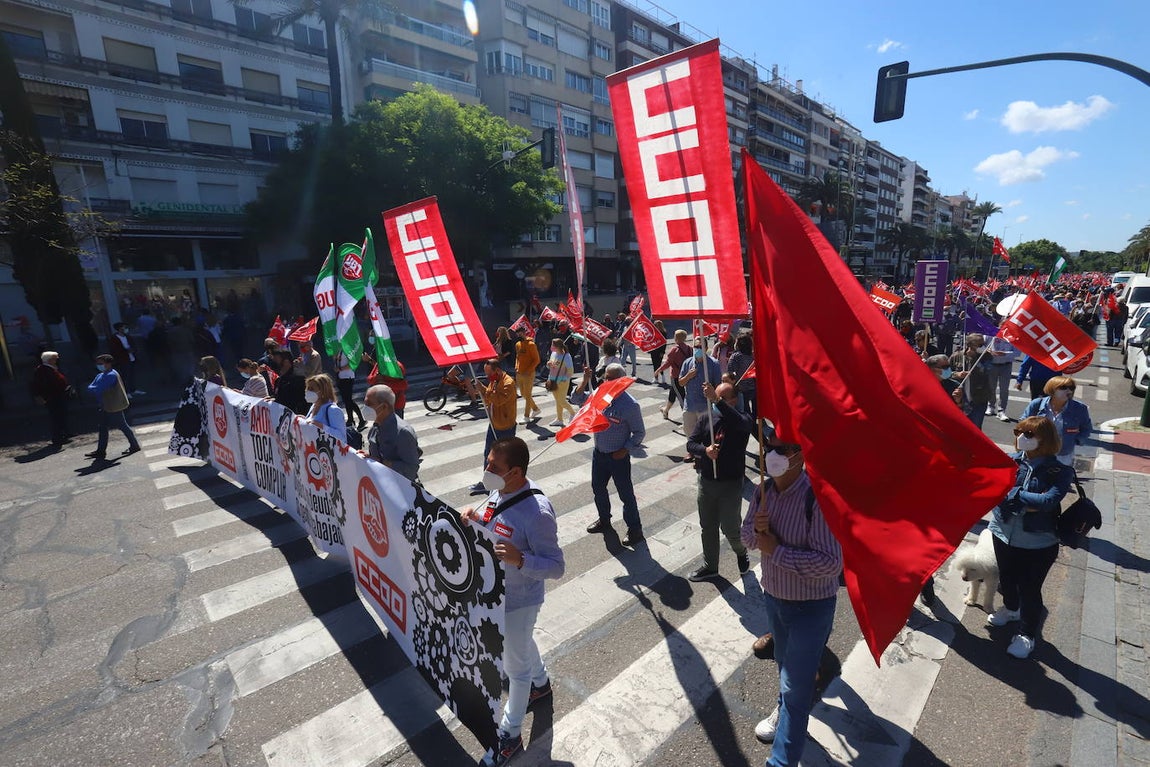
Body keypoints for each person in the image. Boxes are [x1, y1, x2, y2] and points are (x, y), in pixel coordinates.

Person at [740, 429, 842, 766]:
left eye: (782, 449)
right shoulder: (764, 491)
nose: (772, 454)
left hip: (811, 608)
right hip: (775, 600)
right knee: (785, 667)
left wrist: (776, 549)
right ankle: (783, 709)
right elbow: (745, 537)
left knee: (797, 690)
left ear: (800, 455)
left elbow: (830, 564)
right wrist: (757, 530)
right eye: (769, 446)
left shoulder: (817, 498)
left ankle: (780, 761)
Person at [461, 437, 565, 767]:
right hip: (496, 596)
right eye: (488, 462)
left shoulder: (537, 515)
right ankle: (542, 684)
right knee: (519, 647)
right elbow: (495, 523)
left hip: (519, 601)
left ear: (516, 471)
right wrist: (476, 522)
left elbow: (557, 566)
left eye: (494, 466)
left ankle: (510, 735)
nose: (486, 470)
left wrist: (521, 560)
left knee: (514, 670)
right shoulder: (500, 490)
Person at [986, 416, 1072, 659]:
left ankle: (1027, 635)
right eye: (1018, 431)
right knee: (1007, 578)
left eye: (1029, 434)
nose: (1021, 438)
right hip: (1003, 533)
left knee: (1030, 589)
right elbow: (993, 490)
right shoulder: (1010, 462)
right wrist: (1025, 499)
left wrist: (1010, 492)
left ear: (1045, 439)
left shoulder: (1060, 471)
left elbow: (1047, 502)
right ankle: (1011, 609)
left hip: (1038, 542)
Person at [686, 381, 753, 580]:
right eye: (715, 397)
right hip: (707, 481)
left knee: (731, 528)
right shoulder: (706, 417)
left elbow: (742, 424)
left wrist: (718, 401)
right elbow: (691, 443)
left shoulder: (743, 419)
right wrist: (704, 452)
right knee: (708, 525)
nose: (716, 401)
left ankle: (741, 553)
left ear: (734, 400)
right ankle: (710, 565)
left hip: (730, 484)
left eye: (723, 398)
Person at [586, 364, 646, 546]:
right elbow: (576, 399)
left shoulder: (630, 405)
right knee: (598, 488)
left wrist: (625, 449)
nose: (607, 381)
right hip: (599, 454)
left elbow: (639, 432)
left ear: (622, 380)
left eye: (611, 378)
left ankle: (635, 529)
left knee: (626, 495)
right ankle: (604, 520)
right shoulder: (600, 396)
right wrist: (584, 379)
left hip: (618, 458)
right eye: (605, 377)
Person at [1020, 376, 1092, 467]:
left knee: (1059, 479)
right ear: (1052, 389)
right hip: (1037, 452)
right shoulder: (1037, 404)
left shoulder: (1080, 409)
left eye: (1071, 388)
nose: (1068, 391)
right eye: (1063, 388)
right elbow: (1022, 423)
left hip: (1063, 455)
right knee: (1035, 480)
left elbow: (1087, 429)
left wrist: (1075, 440)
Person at [470, 359, 518, 494]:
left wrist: (484, 391)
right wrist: (482, 389)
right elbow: (489, 397)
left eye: (488, 373)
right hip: (493, 424)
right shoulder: (494, 380)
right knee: (488, 454)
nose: (487, 377)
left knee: (503, 457)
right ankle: (487, 482)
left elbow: (497, 400)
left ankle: (504, 482)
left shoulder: (508, 383)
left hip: (505, 426)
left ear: (497, 370)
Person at [85, 354, 141, 461]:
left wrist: (93, 388)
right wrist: (93, 388)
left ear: (109, 363)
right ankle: (101, 451)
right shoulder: (101, 375)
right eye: (98, 363)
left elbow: (97, 388)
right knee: (103, 427)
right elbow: (92, 387)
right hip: (105, 405)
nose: (99, 365)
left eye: (101, 363)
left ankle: (134, 445)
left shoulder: (111, 375)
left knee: (123, 426)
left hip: (114, 405)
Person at [363, 384, 421, 481]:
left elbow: (411, 468)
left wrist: (382, 462)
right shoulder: (375, 428)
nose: (365, 408)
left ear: (384, 406)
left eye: (369, 404)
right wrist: (368, 457)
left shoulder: (402, 432)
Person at [677, 338, 723, 451]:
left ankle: (703, 453)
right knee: (689, 430)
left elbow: (718, 386)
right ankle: (692, 451)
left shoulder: (714, 364)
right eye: (695, 347)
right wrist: (688, 376)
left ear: (706, 349)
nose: (697, 349)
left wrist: (711, 390)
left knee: (706, 433)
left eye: (700, 347)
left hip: (705, 406)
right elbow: (680, 382)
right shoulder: (687, 363)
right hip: (690, 405)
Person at [30, 350, 72, 450]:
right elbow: (46, 385)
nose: (56, 360)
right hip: (53, 397)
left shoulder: (49, 369)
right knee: (56, 417)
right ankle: (57, 437)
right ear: (49, 360)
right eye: (54, 359)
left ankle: (63, 434)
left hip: (56, 396)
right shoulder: (44, 370)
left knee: (60, 416)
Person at [950, 334, 992, 429]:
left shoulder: (986, 357)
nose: (983, 346)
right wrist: (957, 374)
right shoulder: (956, 356)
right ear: (970, 345)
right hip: (960, 399)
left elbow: (987, 370)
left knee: (975, 427)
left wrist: (974, 359)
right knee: (959, 427)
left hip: (979, 398)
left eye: (983, 344)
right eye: (980, 344)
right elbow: (947, 373)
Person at [656, 329, 691, 418]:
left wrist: (658, 370)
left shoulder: (674, 350)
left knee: (681, 397)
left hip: (676, 377)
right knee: (673, 393)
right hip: (687, 376)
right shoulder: (690, 349)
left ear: (676, 338)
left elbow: (668, 363)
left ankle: (686, 417)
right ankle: (665, 410)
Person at [304, 373, 347, 444]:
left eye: (312, 389)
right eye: (307, 388)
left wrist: (322, 427)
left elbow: (342, 438)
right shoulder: (313, 406)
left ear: (323, 391)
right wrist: (304, 420)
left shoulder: (333, 410)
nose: (308, 391)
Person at [984, 335, 1019, 421]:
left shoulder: (1013, 338)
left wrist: (1005, 354)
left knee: (1004, 389)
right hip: (992, 364)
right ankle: (990, 406)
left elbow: (1017, 353)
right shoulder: (990, 336)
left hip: (1006, 365)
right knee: (991, 387)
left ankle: (1001, 410)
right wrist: (987, 351)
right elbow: (982, 346)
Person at [544, 338, 576, 427]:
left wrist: (564, 379)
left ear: (557, 346)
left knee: (561, 401)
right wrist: (549, 365)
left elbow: (570, 371)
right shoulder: (553, 354)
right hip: (552, 380)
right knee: (558, 401)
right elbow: (551, 366)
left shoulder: (566, 356)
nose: (551, 347)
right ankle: (559, 419)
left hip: (562, 382)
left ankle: (573, 413)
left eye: (552, 345)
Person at [333, 349, 367, 430]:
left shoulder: (348, 350)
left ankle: (359, 419)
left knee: (348, 400)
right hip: (341, 377)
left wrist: (340, 369)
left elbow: (351, 364)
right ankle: (351, 419)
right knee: (346, 400)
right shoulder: (340, 350)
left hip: (348, 377)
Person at [514, 331, 542, 424]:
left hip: (528, 374)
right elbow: (517, 357)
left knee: (528, 394)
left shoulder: (531, 344)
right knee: (523, 394)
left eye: (520, 333)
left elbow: (536, 360)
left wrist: (529, 370)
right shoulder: (517, 344)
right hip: (519, 373)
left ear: (524, 332)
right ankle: (535, 409)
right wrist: (516, 367)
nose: (518, 335)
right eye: (517, 333)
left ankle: (526, 416)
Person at [110, 322, 144, 395]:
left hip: (131, 357)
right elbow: (115, 350)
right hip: (123, 359)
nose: (125, 329)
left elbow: (133, 345)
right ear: (119, 329)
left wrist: (133, 350)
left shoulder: (128, 337)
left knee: (132, 375)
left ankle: (133, 389)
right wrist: (126, 350)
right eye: (124, 327)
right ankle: (126, 391)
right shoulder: (114, 338)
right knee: (125, 376)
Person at [727, 332, 756, 417]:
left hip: (741, 389)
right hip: (754, 387)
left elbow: (730, 372)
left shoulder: (736, 356)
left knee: (745, 412)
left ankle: (750, 427)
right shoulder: (753, 355)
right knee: (755, 411)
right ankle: (756, 428)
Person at [616, 311, 638, 376]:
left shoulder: (633, 328)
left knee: (633, 360)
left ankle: (634, 372)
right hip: (625, 346)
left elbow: (635, 337)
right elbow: (623, 336)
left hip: (631, 346)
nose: (626, 322)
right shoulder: (625, 327)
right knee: (622, 359)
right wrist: (619, 344)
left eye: (627, 321)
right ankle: (622, 372)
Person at [650, 319, 668, 384]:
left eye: (656, 325)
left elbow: (664, 344)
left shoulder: (663, 333)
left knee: (659, 365)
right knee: (655, 364)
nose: (655, 326)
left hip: (660, 351)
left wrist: (662, 352)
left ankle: (663, 377)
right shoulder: (653, 332)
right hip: (653, 351)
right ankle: (656, 378)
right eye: (655, 325)